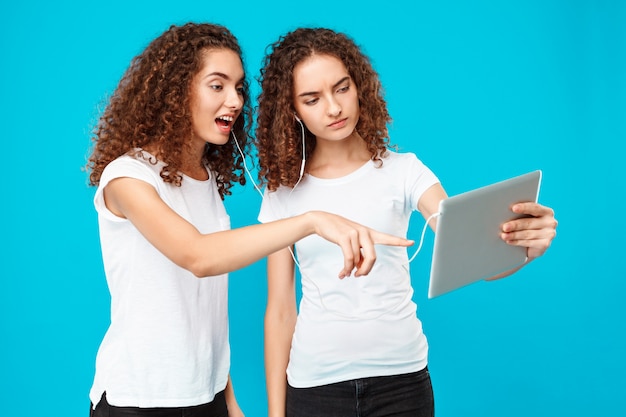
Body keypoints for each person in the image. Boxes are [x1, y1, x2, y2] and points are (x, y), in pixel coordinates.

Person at [85, 23, 414, 417]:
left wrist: (228, 400)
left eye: (239, 88)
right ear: (177, 91)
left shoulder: (204, 181)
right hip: (137, 400)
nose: (235, 101)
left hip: (205, 398)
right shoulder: (127, 177)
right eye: (217, 85)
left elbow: (195, 311)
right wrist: (310, 220)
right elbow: (198, 257)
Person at [256, 27, 558, 417]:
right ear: (292, 110)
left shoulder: (405, 171)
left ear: (359, 87)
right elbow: (280, 309)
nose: (333, 108)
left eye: (342, 88)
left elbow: (471, 253)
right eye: (312, 99)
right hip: (315, 387)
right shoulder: (281, 192)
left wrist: (525, 250)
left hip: (402, 382)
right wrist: (276, 413)